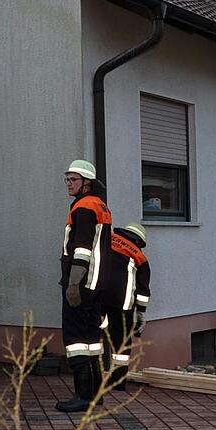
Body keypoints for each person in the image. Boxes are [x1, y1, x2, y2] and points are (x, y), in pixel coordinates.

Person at [56, 160, 112, 413]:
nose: (68, 183)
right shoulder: (100, 205)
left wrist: (73, 284)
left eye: (73, 179)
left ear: (86, 182)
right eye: (67, 179)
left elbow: (82, 248)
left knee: (76, 339)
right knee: (92, 340)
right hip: (97, 284)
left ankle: (82, 395)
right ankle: (95, 394)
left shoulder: (84, 207)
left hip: (82, 284)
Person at [97, 223, 152, 391]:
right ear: (138, 241)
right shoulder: (140, 258)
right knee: (120, 344)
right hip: (122, 307)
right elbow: (142, 292)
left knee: (95, 338)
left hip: (97, 299)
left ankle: (94, 379)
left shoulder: (106, 241)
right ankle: (118, 383)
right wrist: (141, 313)